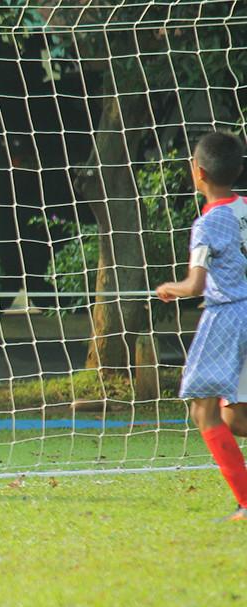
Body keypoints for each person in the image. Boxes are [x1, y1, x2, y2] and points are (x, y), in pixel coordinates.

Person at [156, 130, 247, 522]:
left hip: (227, 315)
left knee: (203, 411)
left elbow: (195, 285)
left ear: (199, 173)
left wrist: (169, 288)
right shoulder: (245, 207)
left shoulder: (207, 224)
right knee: (235, 418)